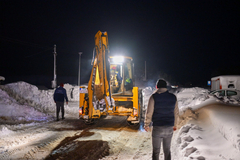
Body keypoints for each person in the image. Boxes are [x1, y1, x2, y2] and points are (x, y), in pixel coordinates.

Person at [144, 79, 179, 160]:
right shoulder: (173, 97)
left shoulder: (153, 97)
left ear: (157, 87)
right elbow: (176, 112)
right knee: (167, 150)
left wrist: (146, 124)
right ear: (166, 87)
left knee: (156, 151)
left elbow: (149, 112)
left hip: (157, 127)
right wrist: (175, 125)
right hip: (169, 127)